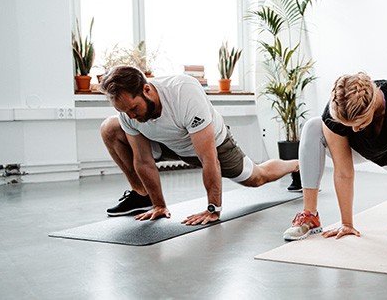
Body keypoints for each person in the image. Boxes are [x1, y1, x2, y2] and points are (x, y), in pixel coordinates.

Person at [99, 65, 299, 225]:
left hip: (214, 145)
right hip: (168, 144)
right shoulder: (128, 115)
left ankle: (296, 165)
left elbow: (209, 158)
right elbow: (143, 161)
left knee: (257, 178)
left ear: (147, 89)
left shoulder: (183, 92)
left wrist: (213, 209)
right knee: (110, 127)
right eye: (125, 111)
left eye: (134, 108)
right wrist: (159, 205)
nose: (131, 116)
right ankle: (142, 196)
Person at [283, 72, 387, 245]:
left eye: (360, 124)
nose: (355, 130)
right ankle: (310, 215)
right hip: (356, 150)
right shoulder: (335, 110)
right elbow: (344, 172)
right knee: (313, 126)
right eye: (350, 126)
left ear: (372, 106)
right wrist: (346, 224)